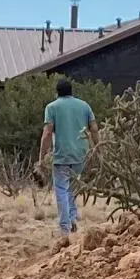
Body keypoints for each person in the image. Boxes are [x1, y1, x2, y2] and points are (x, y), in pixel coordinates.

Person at [38, 77, 95, 240]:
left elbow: (47, 133)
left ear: (57, 92)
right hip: (81, 154)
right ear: (72, 91)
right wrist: (98, 149)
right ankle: (72, 218)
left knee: (61, 189)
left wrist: (42, 157)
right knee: (72, 188)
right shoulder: (84, 106)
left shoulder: (52, 107)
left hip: (62, 154)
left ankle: (65, 227)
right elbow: (94, 128)